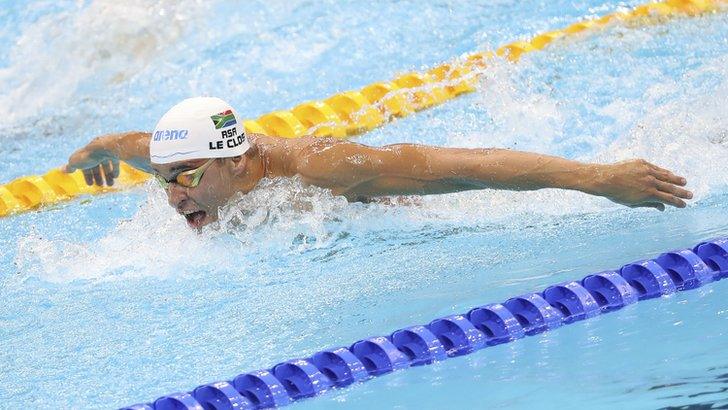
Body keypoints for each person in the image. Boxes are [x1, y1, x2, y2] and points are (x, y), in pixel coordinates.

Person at [65, 97, 693, 229]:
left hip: (403, 209)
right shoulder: (180, 162)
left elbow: (464, 166)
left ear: (238, 161)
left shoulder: (321, 167)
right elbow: (126, 142)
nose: (172, 196)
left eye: (188, 179)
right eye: (166, 179)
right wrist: (90, 152)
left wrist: (598, 179)